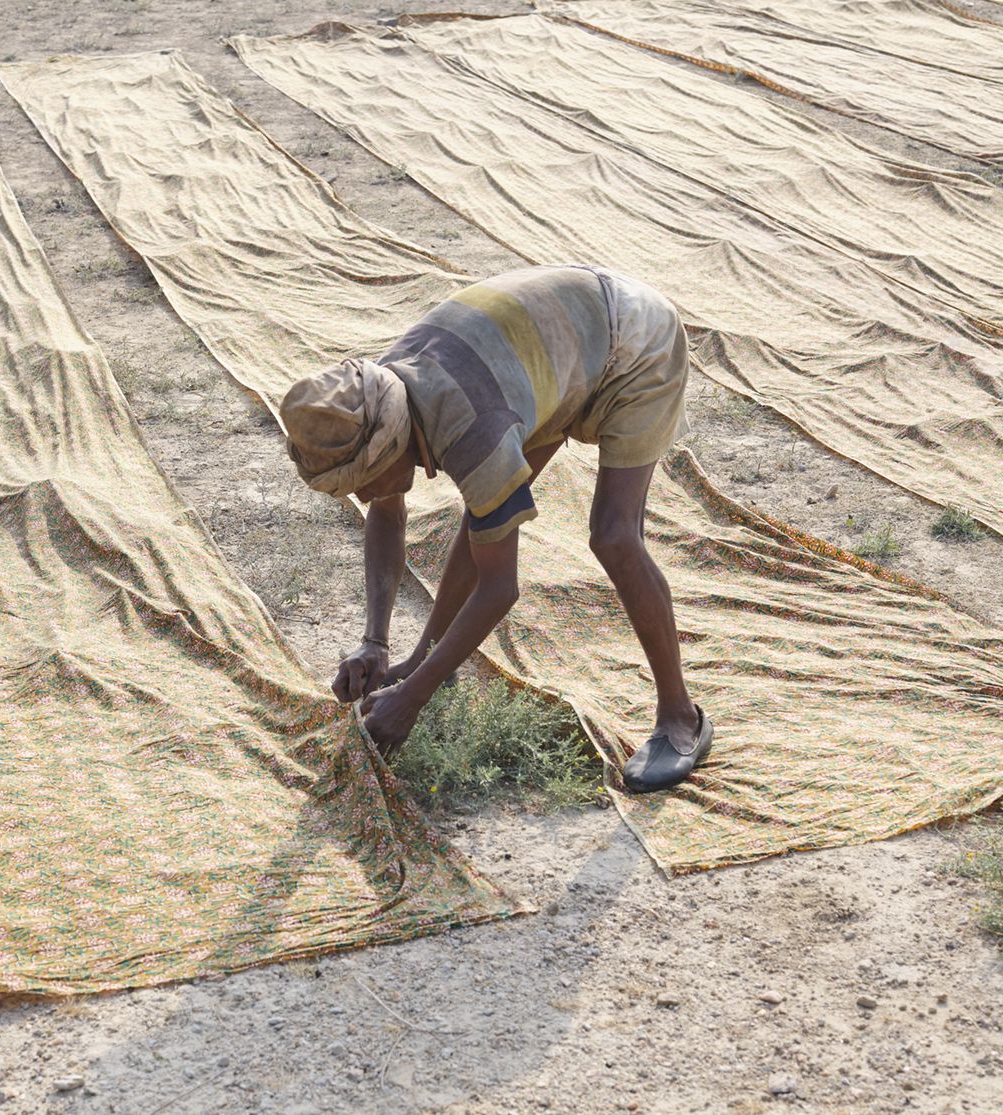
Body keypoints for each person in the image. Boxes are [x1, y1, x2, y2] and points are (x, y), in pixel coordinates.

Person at [279, 264, 712, 794]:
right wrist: (377, 644)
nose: (364, 495)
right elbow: (388, 514)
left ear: (392, 445)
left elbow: (499, 588)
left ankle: (681, 718)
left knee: (613, 535)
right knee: (487, 517)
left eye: (363, 481)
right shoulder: (374, 398)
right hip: (555, 352)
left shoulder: (470, 426)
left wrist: (411, 700)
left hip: (633, 342)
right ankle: (427, 658)